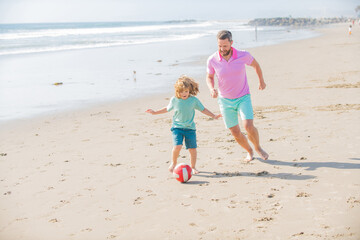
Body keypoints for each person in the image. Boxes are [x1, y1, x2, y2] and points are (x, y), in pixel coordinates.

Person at [206, 30, 269, 162]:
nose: (222, 49)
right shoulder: (212, 60)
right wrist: (212, 89)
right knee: (235, 132)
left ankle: (257, 147)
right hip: (224, 100)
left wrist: (261, 81)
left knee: (248, 126)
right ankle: (249, 151)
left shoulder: (243, 55)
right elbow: (209, 77)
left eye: (225, 46)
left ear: (231, 43)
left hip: (243, 96)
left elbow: (256, 65)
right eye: (219, 46)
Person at [146, 76, 221, 174]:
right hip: (177, 128)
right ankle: (173, 163)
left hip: (190, 129)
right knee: (177, 146)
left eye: (186, 91)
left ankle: (193, 167)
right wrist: (155, 112)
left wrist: (213, 115)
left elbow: (203, 109)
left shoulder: (193, 100)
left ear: (189, 90)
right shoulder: (174, 100)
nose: (184, 94)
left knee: (192, 149)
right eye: (181, 91)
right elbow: (167, 109)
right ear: (177, 91)